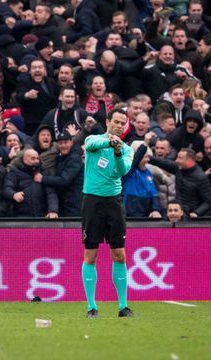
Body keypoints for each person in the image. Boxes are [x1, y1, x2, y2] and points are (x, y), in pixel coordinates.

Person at [81, 109, 134, 319]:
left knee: (119, 254)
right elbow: (91, 144)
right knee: (90, 255)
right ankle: (91, 307)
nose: (120, 126)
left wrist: (118, 152)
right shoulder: (96, 140)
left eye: (123, 124)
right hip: (92, 201)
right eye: (117, 122)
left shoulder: (127, 149)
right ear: (108, 122)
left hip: (114, 202)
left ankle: (123, 306)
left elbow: (122, 171)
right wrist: (109, 143)